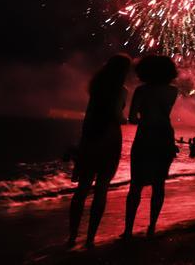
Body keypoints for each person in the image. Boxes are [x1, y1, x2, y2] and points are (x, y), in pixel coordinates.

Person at [69, 54, 132, 249]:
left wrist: (83, 140)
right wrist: (127, 121)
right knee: (102, 187)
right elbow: (116, 114)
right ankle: (90, 237)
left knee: (82, 189)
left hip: (91, 135)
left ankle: (72, 236)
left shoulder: (96, 87)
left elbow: (89, 115)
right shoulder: (121, 90)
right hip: (110, 136)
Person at [122, 55, 179, 239]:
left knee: (136, 185)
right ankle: (152, 226)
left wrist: (143, 117)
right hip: (165, 135)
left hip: (146, 136)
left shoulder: (141, 91)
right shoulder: (173, 91)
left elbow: (132, 118)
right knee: (159, 184)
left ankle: (128, 230)